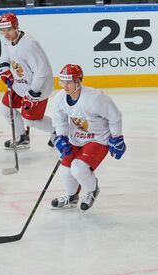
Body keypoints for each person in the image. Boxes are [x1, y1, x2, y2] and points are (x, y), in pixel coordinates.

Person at [51, 64, 126, 211]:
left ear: (78, 81)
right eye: (62, 82)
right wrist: (61, 137)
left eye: (69, 82)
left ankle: (92, 190)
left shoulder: (94, 98)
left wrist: (117, 137)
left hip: (98, 139)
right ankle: (71, 198)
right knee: (66, 170)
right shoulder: (60, 98)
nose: (65, 86)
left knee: (78, 168)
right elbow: (59, 120)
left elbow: (115, 115)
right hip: (76, 139)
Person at [0, 12, 55, 150]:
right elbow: (6, 55)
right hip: (20, 84)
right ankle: (22, 137)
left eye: (9, 29)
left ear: (16, 26)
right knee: (6, 109)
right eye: (3, 30)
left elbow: (42, 71)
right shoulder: (8, 39)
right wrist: (5, 69)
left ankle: (59, 131)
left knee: (30, 119)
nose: (6, 34)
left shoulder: (29, 44)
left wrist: (33, 93)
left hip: (38, 87)